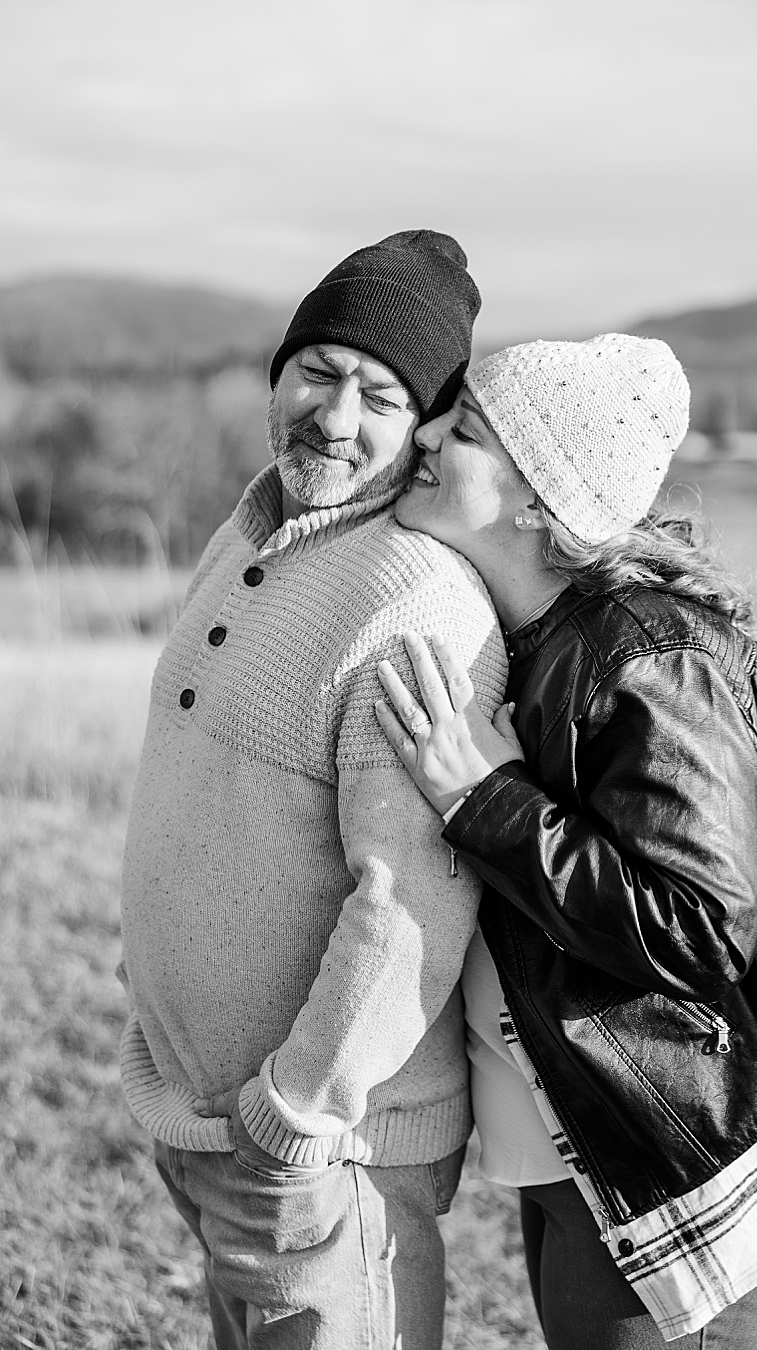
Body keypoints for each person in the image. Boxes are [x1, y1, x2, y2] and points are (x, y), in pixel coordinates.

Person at [374, 332, 757, 1349]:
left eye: (461, 429)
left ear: (536, 501)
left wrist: (490, 801)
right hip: (598, 1118)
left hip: (714, 1121)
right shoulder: (535, 638)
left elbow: (697, 928)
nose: (422, 433)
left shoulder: (650, 654)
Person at [117, 230, 508, 1350]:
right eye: (319, 373)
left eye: (381, 395)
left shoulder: (414, 602)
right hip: (207, 1115)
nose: (336, 418)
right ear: (277, 373)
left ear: (426, 425)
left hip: (325, 1149)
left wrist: (293, 1113)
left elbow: (414, 909)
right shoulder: (253, 532)